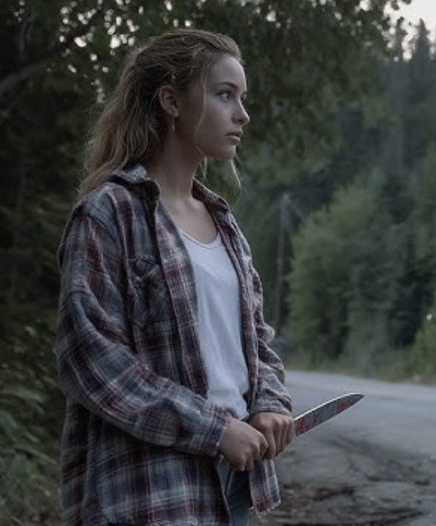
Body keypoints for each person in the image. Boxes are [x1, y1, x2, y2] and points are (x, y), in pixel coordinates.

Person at [54, 29, 293, 526]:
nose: (242, 114)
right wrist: (214, 429)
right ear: (171, 101)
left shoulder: (225, 225)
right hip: (150, 491)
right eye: (224, 94)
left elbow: (256, 341)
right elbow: (91, 359)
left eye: (242, 98)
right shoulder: (109, 214)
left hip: (236, 486)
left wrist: (269, 403)